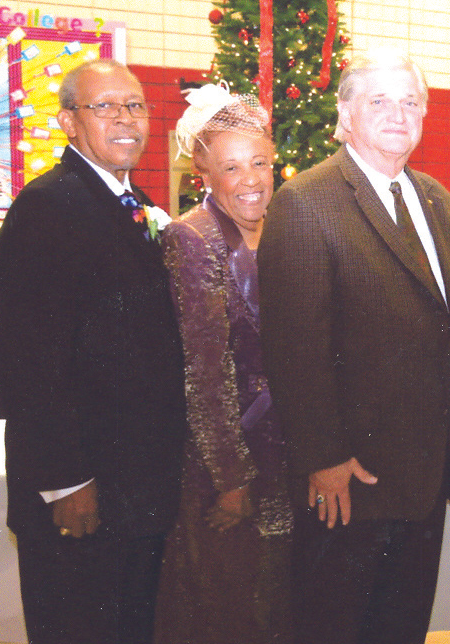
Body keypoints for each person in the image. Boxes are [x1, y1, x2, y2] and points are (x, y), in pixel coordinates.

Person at [257, 48, 450, 644]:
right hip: (350, 479)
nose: (398, 113)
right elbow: (295, 348)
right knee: (337, 626)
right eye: (379, 100)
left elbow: (447, 331)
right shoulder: (306, 201)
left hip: (424, 473)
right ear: (345, 115)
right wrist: (323, 458)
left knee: (402, 627)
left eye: (411, 102)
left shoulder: (438, 201)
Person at [0, 59, 187, 644]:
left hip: (137, 494)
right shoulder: (47, 207)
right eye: (105, 107)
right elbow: (30, 364)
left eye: (135, 106)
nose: (126, 120)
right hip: (83, 497)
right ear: (69, 122)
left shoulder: (135, 204)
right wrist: (66, 482)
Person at [152, 83, 292, 644]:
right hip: (226, 459)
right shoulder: (193, 238)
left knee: (278, 603)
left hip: (288, 451)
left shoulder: (287, 227)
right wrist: (230, 480)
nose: (251, 179)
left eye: (259, 162)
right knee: (224, 606)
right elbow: (203, 375)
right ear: (204, 171)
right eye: (232, 168)